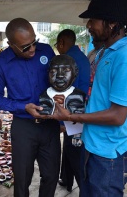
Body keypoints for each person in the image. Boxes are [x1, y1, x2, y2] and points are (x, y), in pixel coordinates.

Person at [46, 0, 127, 196]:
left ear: (112, 23)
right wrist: (69, 117)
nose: (89, 26)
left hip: (108, 155)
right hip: (93, 146)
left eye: (93, 20)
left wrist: (73, 116)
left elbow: (118, 116)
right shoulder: (103, 52)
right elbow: (98, 99)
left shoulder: (126, 58)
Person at [0, 18, 60, 197]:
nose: (33, 49)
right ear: (11, 44)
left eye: (34, 42)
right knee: (22, 178)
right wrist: (22, 106)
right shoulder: (0, 64)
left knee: (51, 175)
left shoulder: (47, 51)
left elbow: (59, 81)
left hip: (50, 125)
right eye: (26, 47)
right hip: (23, 127)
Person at [55, 29, 90, 192]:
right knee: (69, 148)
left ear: (62, 43)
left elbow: (65, 91)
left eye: (57, 45)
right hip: (79, 110)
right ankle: (67, 180)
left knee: (74, 153)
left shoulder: (67, 60)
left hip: (72, 114)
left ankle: (84, 189)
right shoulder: (82, 57)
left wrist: (62, 121)